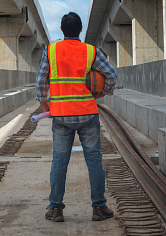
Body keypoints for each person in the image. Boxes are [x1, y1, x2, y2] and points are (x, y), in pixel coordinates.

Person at [35, 12, 117, 222]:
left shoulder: (51, 51)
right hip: (88, 113)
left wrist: (46, 106)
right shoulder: (91, 51)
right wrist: (102, 92)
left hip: (61, 116)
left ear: (62, 30)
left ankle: (55, 209)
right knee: (94, 160)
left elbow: (41, 82)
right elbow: (112, 75)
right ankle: (99, 207)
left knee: (60, 162)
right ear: (80, 30)